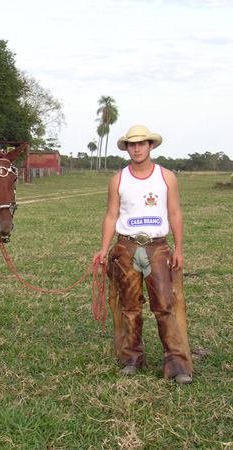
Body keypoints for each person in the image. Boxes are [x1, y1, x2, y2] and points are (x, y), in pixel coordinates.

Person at [93, 125, 193, 384]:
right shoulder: (118, 180)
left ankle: (177, 363)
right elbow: (111, 216)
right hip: (126, 248)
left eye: (142, 143)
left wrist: (179, 248)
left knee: (164, 306)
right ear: (127, 148)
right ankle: (132, 358)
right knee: (129, 307)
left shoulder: (166, 177)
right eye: (131, 144)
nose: (136, 148)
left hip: (157, 248)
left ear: (151, 146)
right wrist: (104, 249)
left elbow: (175, 213)